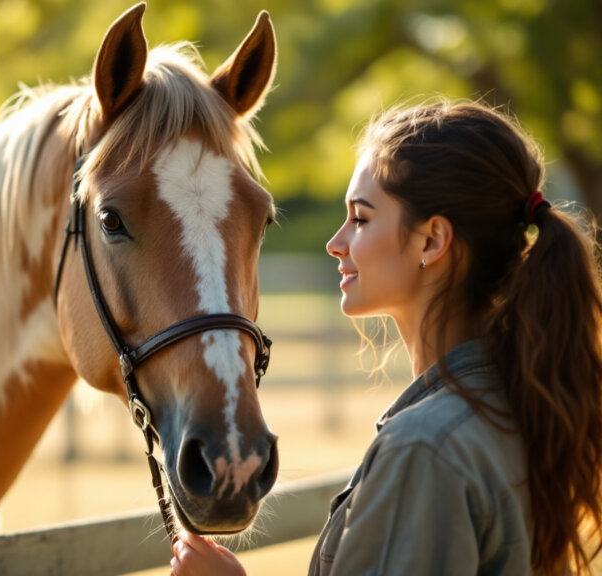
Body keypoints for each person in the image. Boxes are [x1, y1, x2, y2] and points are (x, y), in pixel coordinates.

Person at [169, 99, 602, 576]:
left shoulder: (425, 449)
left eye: (361, 217)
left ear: (432, 241)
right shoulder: (515, 407)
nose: (336, 242)